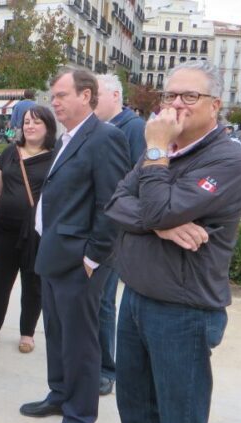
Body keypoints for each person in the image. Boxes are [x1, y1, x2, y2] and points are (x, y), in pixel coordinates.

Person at [106, 60, 241, 423]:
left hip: (182, 310)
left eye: (191, 95)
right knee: (134, 407)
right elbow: (116, 202)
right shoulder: (164, 150)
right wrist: (160, 224)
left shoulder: (227, 160)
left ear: (215, 105)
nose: (177, 104)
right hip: (136, 297)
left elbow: (147, 206)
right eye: (170, 95)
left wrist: (155, 152)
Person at [19, 68, 130, 423]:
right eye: (54, 96)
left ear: (87, 95)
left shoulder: (105, 138)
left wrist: (93, 258)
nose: (55, 102)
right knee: (57, 332)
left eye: (62, 95)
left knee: (81, 342)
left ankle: (80, 419)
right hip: (54, 255)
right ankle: (59, 393)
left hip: (79, 262)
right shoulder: (68, 138)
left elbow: (111, 206)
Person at [0, 106, 55, 354]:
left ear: (48, 128)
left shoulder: (55, 156)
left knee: (33, 285)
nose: (30, 126)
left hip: (37, 233)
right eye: (27, 122)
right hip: (5, 230)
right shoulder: (9, 152)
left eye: (36, 123)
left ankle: (27, 334)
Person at [93, 73, 148, 396]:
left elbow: (141, 181)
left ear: (114, 95)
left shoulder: (134, 129)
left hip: (113, 233)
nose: (91, 100)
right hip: (97, 228)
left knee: (103, 303)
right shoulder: (102, 128)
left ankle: (106, 370)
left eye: (95, 94)